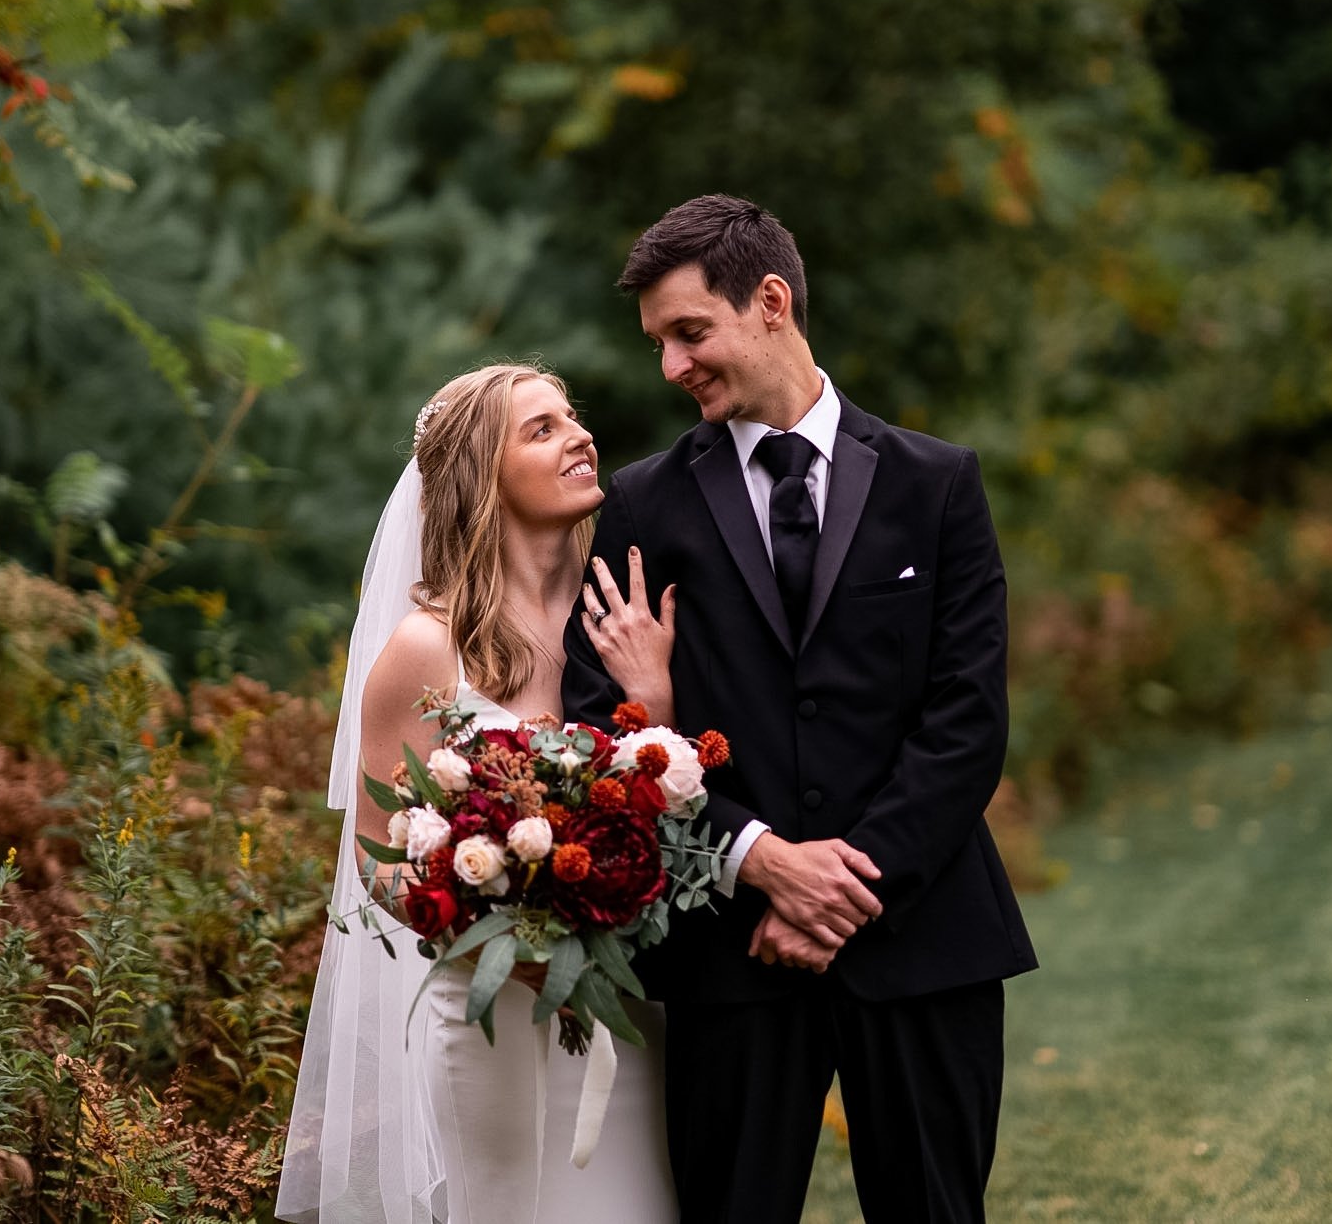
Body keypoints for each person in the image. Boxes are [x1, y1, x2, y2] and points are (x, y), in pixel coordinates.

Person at [561, 195, 1038, 1224]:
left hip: (922, 942)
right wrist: (761, 863)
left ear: (769, 301)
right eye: (656, 343)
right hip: (726, 957)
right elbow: (601, 726)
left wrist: (843, 890)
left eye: (689, 332)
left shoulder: (936, 483)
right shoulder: (641, 506)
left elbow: (966, 720)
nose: (669, 367)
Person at [277, 364, 682, 1224]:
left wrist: (657, 697)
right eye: (542, 428)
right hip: (491, 1012)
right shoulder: (428, 650)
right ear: (480, 478)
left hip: (622, 1003)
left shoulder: (615, 618)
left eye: (573, 418)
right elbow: (377, 851)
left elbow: (665, 805)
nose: (579, 435)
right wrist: (486, 924)